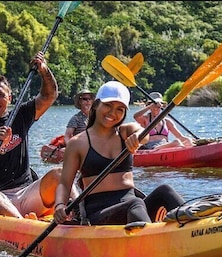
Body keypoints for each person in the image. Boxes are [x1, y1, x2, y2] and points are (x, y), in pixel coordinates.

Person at [0, 51, 79, 219]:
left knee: (59, 173)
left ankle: (81, 214)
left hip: (27, 192)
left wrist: (44, 70)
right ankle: (23, 224)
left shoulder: (20, 115)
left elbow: (50, 95)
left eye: (1, 95)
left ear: (9, 98)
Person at [53, 81, 185, 225]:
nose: (112, 113)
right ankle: (150, 241)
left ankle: (196, 227)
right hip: (99, 214)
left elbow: (141, 131)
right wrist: (60, 205)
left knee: (165, 191)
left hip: (132, 206)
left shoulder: (125, 132)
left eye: (119, 109)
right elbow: (65, 184)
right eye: (108, 105)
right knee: (135, 204)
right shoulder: (77, 143)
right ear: (96, 104)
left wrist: (137, 138)